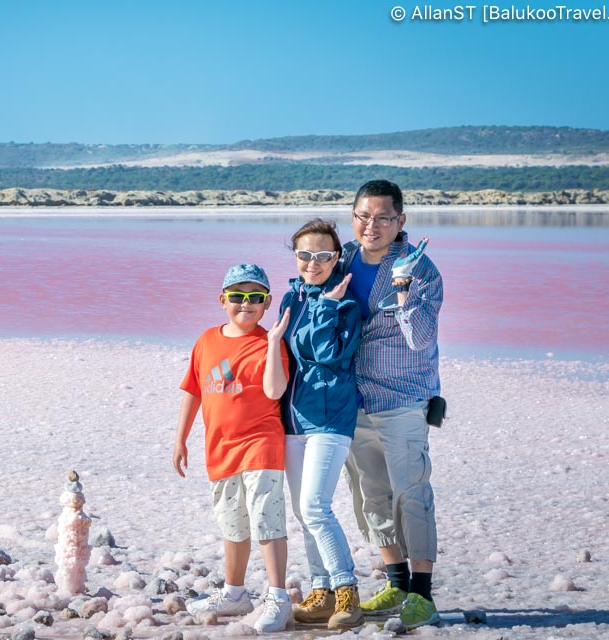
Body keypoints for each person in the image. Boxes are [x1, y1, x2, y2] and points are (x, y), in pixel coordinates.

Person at [341, 179, 443, 630]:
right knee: (370, 496)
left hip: (401, 399)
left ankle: (422, 594)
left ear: (401, 221)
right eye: (364, 215)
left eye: (383, 217)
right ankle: (396, 579)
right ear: (353, 217)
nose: (373, 225)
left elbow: (421, 339)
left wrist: (402, 289)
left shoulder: (421, 271)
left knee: (411, 494)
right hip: (351, 400)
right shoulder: (340, 258)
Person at [172, 263, 293, 633]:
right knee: (233, 523)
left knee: (265, 519)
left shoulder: (269, 342)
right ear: (223, 300)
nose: (246, 304)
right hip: (220, 449)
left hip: (261, 444)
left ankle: (277, 596)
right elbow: (193, 389)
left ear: (267, 302)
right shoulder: (207, 339)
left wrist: (273, 342)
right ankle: (235, 592)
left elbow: (275, 390)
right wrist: (180, 438)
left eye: (255, 297)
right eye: (238, 297)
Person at [278, 218, 364, 630]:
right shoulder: (290, 298)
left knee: (316, 506)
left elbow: (328, 355)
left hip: (331, 417)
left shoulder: (346, 305)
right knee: (301, 509)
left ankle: (348, 591)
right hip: (293, 418)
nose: (313, 263)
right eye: (305, 255)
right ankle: (321, 591)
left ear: (337, 258)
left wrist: (328, 306)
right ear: (295, 257)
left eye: (323, 255)